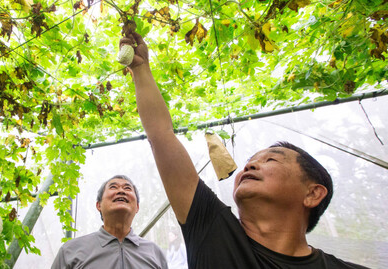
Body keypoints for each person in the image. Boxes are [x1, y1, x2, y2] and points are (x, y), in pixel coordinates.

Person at [120, 31, 369, 268]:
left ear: (313, 194)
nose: (249, 165)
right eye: (251, 161)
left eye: (271, 160)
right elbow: (161, 136)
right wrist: (141, 70)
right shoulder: (211, 227)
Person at [51, 175, 168, 269]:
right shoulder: (71, 251)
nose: (121, 191)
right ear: (99, 205)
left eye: (127, 188)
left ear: (137, 207)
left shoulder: (155, 253)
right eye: (113, 187)